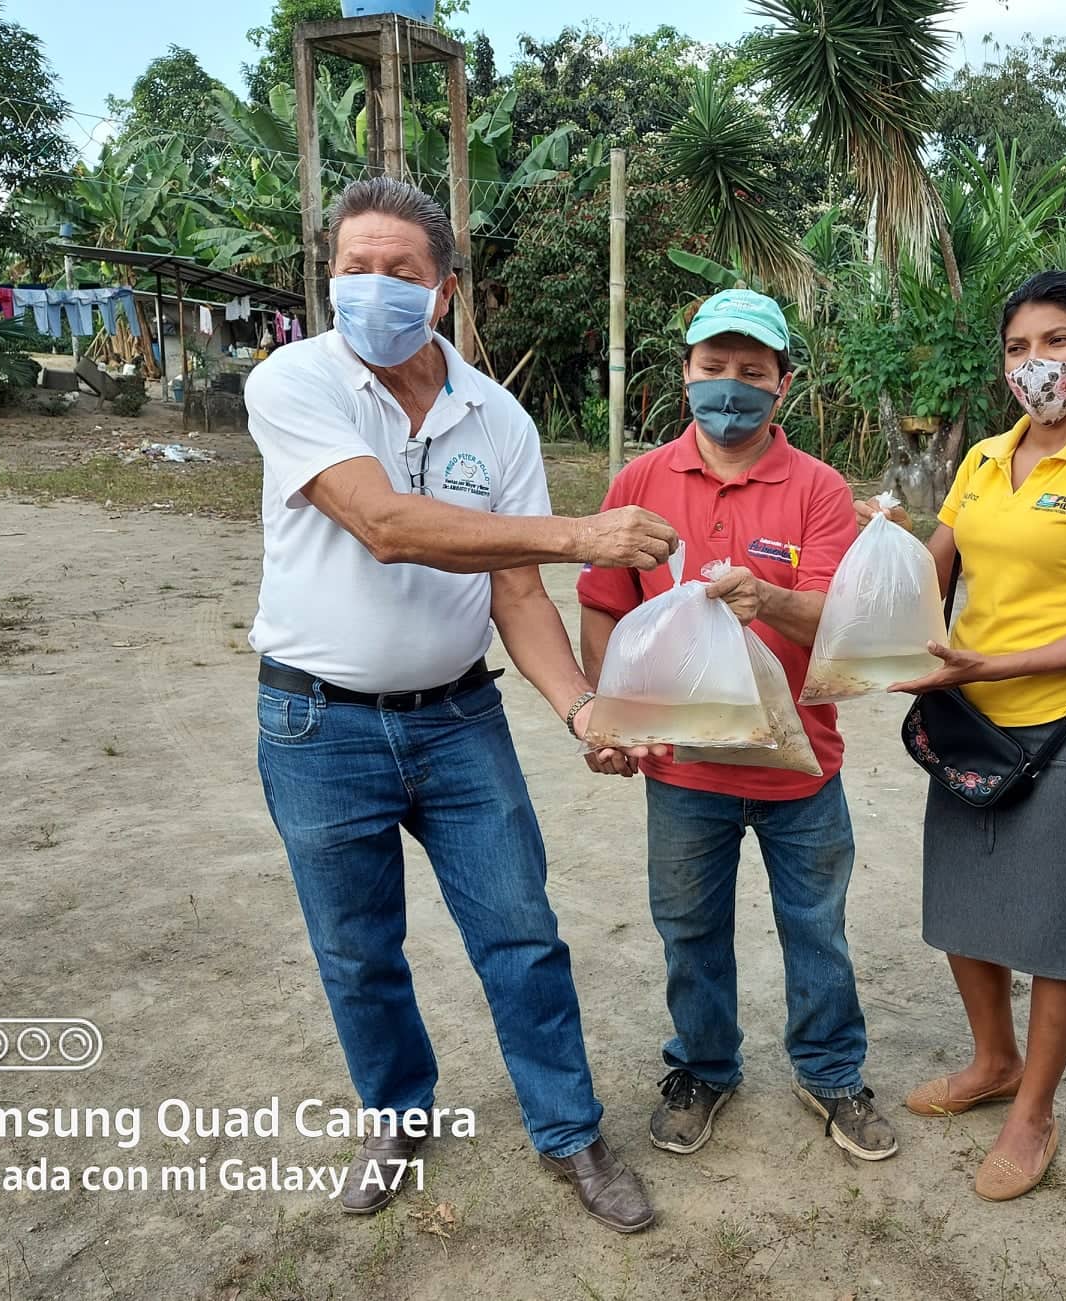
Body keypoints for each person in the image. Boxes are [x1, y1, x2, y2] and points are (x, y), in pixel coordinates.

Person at [244, 176, 678, 1233]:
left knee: (521, 931)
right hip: (317, 724)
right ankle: (396, 1115)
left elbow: (516, 593)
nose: (374, 286)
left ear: (442, 289)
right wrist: (582, 534)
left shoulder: (498, 418)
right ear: (329, 276)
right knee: (357, 948)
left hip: (457, 720)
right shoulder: (294, 380)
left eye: (400, 270)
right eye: (354, 267)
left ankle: (569, 1130)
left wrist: (583, 710)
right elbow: (386, 523)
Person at [859, 270, 1066, 1201]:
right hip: (969, 718)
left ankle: (1034, 1110)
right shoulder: (987, 459)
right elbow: (934, 572)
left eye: (1057, 342)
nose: (1036, 364)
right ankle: (993, 1060)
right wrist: (882, 546)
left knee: (1055, 926)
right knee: (965, 902)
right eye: (1018, 347)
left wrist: (996, 662)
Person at [577, 289, 897, 1162]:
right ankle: (704, 1066)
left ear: (782, 383)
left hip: (801, 766)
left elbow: (837, 616)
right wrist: (610, 716)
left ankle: (830, 1071)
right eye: (713, 366)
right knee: (689, 930)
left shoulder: (819, 489)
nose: (730, 385)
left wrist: (770, 599)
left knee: (817, 928)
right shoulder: (641, 483)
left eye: (752, 370)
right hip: (684, 771)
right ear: (684, 373)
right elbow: (605, 606)